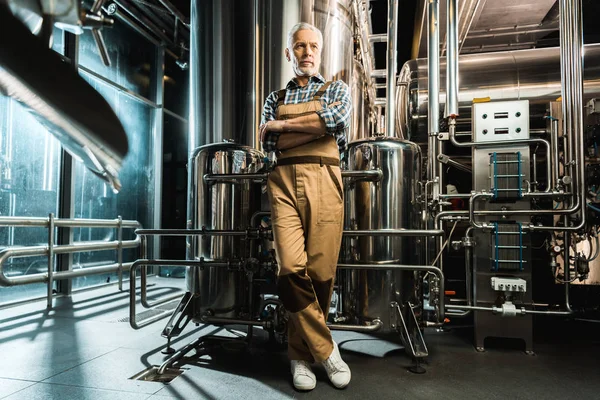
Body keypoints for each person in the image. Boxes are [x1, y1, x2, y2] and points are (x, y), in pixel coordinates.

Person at [260, 22, 352, 391]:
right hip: (282, 182)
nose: (307, 52)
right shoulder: (273, 95)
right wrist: (311, 128)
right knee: (289, 268)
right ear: (289, 52)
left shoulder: (337, 90)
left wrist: (283, 126)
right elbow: (269, 144)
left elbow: (337, 120)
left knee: (320, 272)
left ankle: (300, 356)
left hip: (325, 180)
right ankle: (326, 352)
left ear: (321, 51)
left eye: (313, 46)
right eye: (299, 46)